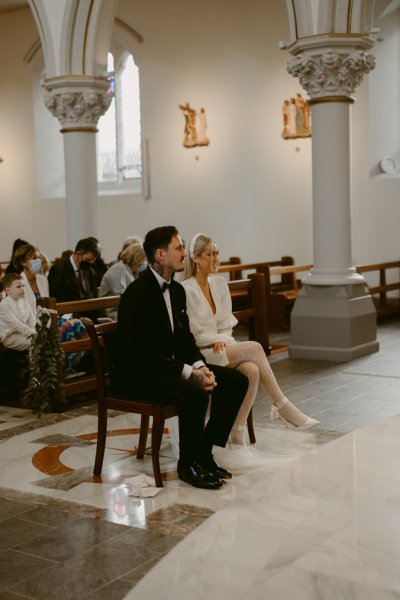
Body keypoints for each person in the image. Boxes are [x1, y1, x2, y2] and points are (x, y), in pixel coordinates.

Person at [116, 226, 248, 490]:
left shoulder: (175, 291)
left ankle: (203, 453)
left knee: (236, 382)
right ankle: (187, 465)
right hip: (139, 374)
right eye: (178, 248)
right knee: (196, 391)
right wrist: (191, 373)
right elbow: (144, 355)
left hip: (164, 367)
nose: (183, 253)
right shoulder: (137, 294)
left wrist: (200, 366)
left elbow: (185, 339)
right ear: (160, 255)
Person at [181, 233, 319, 445]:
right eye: (210, 254)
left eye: (218, 253)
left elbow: (227, 323)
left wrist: (223, 338)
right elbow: (193, 334)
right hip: (199, 354)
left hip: (221, 347)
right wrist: (219, 338)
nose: (216, 259)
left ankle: (237, 435)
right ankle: (283, 406)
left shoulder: (219, 284)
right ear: (196, 258)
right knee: (255, 348)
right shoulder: (186, 289)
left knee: (252, 370)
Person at [99, 242, 147, 319]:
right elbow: (123, 297)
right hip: (111, 312)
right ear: (137, 258)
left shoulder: (131, 271)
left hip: (123, 309)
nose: (145, 263)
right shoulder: (118, 269)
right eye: (144, 260)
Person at [0, 273, 36, 351]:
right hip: (10, 337)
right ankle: (35, 362)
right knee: (36, 342)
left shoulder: (24, 301)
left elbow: (31, 320)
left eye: (23, 286)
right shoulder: (4, 304)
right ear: (8, 290)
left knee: (42, 340)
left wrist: (36, 331)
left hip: (24, 333)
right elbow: (16, 324)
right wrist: (33, 334)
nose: (23, 288)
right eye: (18, 287)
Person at [12, 243, 49, 313]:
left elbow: (48, 306)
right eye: (34, 258)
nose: (39, 260)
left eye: (39, 257)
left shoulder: (43, 279)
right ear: (24, 263)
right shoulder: (17, 283)